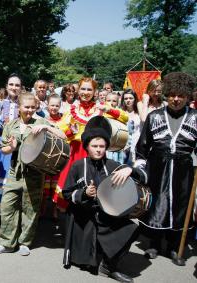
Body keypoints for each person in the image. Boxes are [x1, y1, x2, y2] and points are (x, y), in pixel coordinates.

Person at [62, 126, 147, 282]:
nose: (99, 150)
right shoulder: (78, 166)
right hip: (84, 216)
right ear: (87, 147)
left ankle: (108, 265)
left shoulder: (113, 165)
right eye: (94, 146)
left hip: (107, 214)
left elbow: (144, 176)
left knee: (132, 228)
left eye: (102, 146)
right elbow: (66, 194)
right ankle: (98, 260)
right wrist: (84, 194)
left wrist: (129, 169)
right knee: (88, 261)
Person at [0, 92, 66, 256]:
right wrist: (11, 147)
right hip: (14, 173)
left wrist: (47, 127)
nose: (30, 110)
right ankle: (7, 242)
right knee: (7, 207)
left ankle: (25, 242)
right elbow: (3, 149)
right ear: (19, 107)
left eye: (33, 107)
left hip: (35, 174)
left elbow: (63, 136)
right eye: (26, 107)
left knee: (30, 209)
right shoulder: (11, 125)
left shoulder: (41, 122)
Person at [135, 72, 197, 266]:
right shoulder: (154, 116)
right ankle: (153, 242)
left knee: (180, 206)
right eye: (172, 95)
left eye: (181, 95)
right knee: (157, 205)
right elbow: (142, 147)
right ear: (166, 94)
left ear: (187, 96)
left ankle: (173, 245)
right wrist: (141, 168)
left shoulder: (196, 117)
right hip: (158, 169)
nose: (176, 99)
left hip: (184, 171)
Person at [55, 77, 128, 209]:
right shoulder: (71, 110)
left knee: (96, 188)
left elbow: (125, 117)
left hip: (96, 153)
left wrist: (108, 109)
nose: (85, 92)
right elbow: (61, 133)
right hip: (76, 153)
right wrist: (71, 132)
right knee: (73, 189)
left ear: (94, 92)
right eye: (83, 88)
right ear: (78, 90)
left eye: (89, 89)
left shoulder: (100, 108)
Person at [42, 95, 63, 221]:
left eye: (57, 105)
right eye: (52, 105)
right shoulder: (43, 120)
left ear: (60, 106)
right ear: (47, 106)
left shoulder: (64, 119)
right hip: (45, 156)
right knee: (44, 185)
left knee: (56, 185)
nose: (54, 108)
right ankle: (42, 209)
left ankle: (55, 211)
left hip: (59, 156)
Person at [120, 89, 141, 165]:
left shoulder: (139, 112)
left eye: (130, 98)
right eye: (126, 98)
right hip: (123, 145)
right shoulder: (121, 112)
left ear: (135, 99)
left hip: (137, 144)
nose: (128, 100)